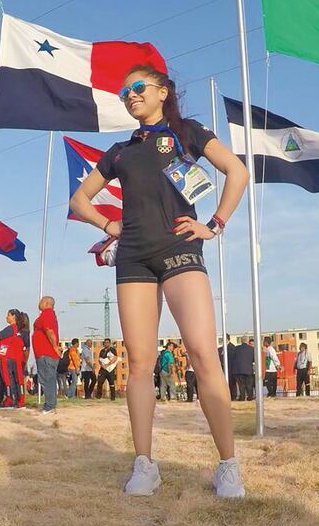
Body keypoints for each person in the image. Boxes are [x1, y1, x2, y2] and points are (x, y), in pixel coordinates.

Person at [69, 64, 249, 498]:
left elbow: (237, 172)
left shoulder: (188, 132)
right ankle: (144, 465)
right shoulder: (120, 150)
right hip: (133, 258)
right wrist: (108, 225)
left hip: (180, 250)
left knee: (204, 354)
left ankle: (228, 466)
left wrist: (214, 223)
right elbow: (79, 199)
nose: (129, 95)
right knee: (140, 364)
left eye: (137, 87)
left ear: (162, 91)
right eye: (123, 90)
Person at [33, 297, 60, 414]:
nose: (39, 302)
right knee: (47, 379)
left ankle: (50, 405)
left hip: (46, 353)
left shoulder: (47, 314)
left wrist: (54, 346)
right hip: (43, 353)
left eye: (41, 301)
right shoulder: (46, 315)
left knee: (48, 379)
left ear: (47, 303)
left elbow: (49, 330)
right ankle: (49, 404)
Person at [0, 309, 25, 409]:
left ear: (14, 317)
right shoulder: (20, 330)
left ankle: (10, 399)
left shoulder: (10, 329)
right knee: (18, 379)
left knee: (8, 380)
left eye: (8, 315)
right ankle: (20, 399)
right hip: (16, 358)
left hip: (7, 357)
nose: (6, 317)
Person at [233, 337, 255, 401]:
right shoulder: (251, 349)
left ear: (241, 341)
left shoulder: (236, 348)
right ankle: (250, 397)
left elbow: (233, 358)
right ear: (247, 341)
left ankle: (242, 397)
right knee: (249, 384)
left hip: (238, 370)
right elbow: (254, 359)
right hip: (248, 370)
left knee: (241, 385)